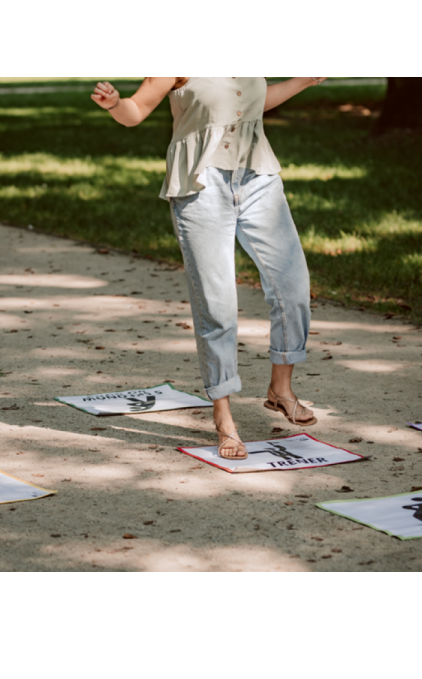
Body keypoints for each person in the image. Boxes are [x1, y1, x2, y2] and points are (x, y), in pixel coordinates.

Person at [92, 77, 326, 458]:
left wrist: (305, 80)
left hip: (258, 179)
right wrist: (116, 104)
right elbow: (135, 112)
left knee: (293, 286)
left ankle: (280, 390)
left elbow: (255, 101)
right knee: (217, 306)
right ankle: (223, 416)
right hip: (201, 186)